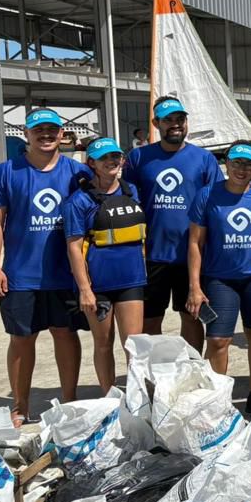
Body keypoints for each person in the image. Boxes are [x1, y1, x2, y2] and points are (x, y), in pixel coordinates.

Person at [0, 109, 90, 423]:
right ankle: (20, 406)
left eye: (52, 130)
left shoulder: (76, 172)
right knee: (21, 339)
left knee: (66, 334)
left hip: (64, 273)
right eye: (39, 129)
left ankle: (69, 400)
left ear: (62, 134)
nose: (46, 134)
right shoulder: (5, 172)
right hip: (20, 274)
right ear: (26, 134)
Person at [187, 142, 251, 416]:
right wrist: (194, 286)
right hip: (220, 279)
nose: (242, 169)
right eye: (237, 163)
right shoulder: (207, 195)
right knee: (218, 340)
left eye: (248, 164)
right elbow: (195, 242)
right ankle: (218, 397)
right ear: (227, 164)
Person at [123, 97, 222, 350]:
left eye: (180, 119)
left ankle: (190, 371)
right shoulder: (138, 157)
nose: (175, 125)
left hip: (192, 254)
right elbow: (127, 201)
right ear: (156, 123)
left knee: (191, 315)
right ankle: (155, 375)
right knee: (150, 319)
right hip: (151, 255)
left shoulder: (204, 159)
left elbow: (215, 205)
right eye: (168, 120)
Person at [63, 137, 146, 394]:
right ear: (92, 163)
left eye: (116, 157)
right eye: (104, 158)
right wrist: (85, 289)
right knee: (102, 343)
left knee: (134, 345)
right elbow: (74, 248)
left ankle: (136, 398)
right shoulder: (79, 201)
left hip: (131, 280)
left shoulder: (131, 191)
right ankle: (109, 396)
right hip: (98, 285)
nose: (112, 162)